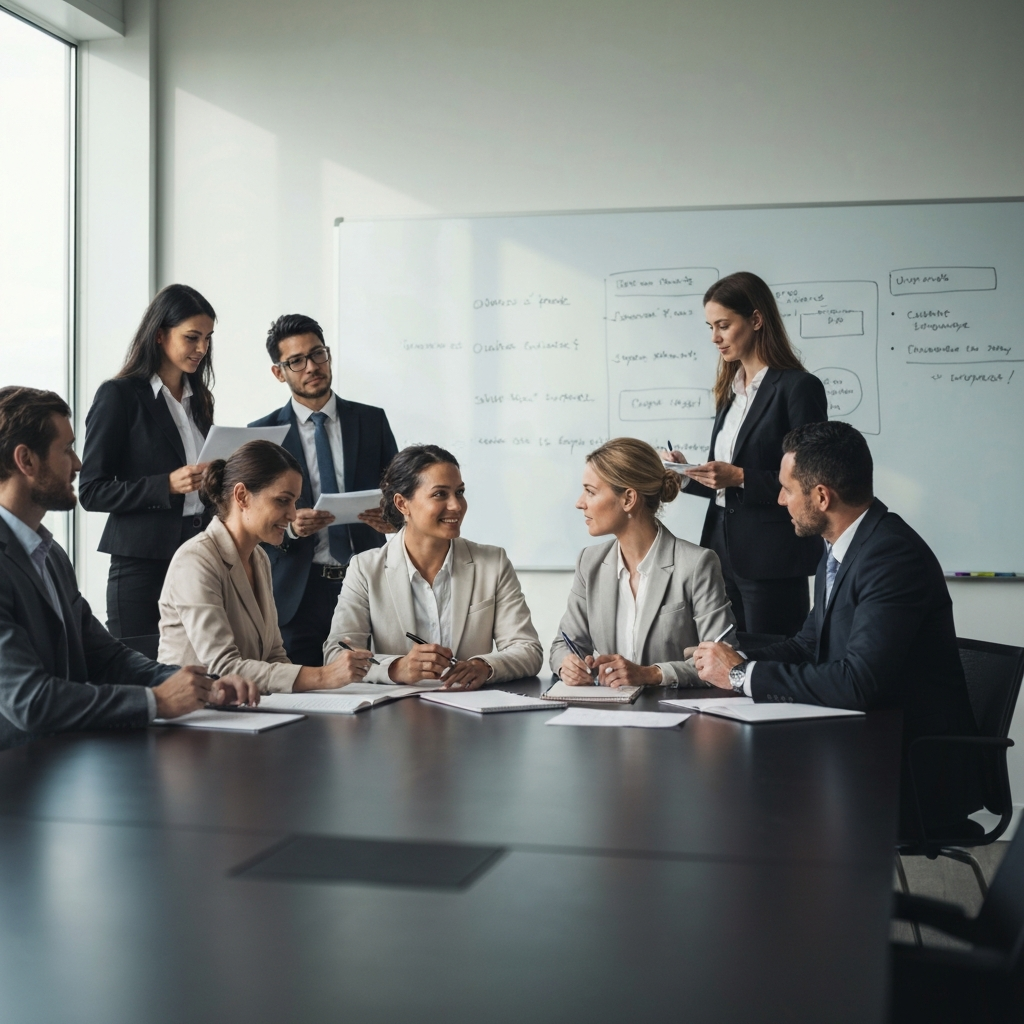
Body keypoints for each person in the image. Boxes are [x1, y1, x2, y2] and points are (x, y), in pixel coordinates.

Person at [693, 421, 979, 829]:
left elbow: (858, 683)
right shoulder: (841, 545)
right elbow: (810, 642)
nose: (778, 500)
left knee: (753, 803)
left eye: (787, 489)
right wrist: (732, 663)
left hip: (908, 769)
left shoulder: (891, 557)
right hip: (861, 743)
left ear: (822, 497)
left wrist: (742, 675)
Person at [0, 387, 257, 749]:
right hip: (17, 782)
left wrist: (203, 684)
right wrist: (158, 702)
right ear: (26, 460)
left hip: (63, 763)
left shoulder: (50, 555)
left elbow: (107, 658)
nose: (78, 464)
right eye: (67, 449)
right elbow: (30, 701)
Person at [665, 272, 827, 637]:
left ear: (755, 320)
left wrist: (738, 476)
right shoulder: (730, 393)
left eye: (723, 325)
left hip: (773, 557)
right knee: (725, 659)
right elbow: (723, 484)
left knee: (771, 662)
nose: (715, 338)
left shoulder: (798, 388)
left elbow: (812, 480)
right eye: (710, 326)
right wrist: (686, 472)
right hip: (720, 550)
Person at [158, 441, 373, 693]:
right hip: (195, 716)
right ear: (242, 496)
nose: (293, 515)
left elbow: (274, 655)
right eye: (283, 501)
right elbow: (222, 668)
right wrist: (324, 676)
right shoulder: (195, 560)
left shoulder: (258, 557)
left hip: (247, 711)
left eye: (294, 502)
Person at [248, 314, 399, 666]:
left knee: (372, 687)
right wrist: (290, 527)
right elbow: (251, 519)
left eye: (318, 354)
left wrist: (393, 522)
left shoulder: (371, 421)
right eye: (296, 361)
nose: (311, 367)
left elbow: (401, 497)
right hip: (296, 592)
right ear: (279, 372)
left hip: (365, 583)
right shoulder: (263, 433)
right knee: (301, 695)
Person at [325, 445, 543, 687]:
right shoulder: (365, 569)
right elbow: (337, 653)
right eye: (440, 494)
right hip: (397, 715)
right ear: (402, 504)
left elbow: (528, 650)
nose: (456, 506)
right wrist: (396, 668)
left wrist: (483, 666)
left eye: (459, 492)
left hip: (472, 710)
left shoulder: (492, 563)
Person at [79, 284, 218, 639]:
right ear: (159, 335)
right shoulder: (119, 396)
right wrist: (166, 485)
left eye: (207, 338)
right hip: (142, 565)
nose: (201, 348)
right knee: (142, 670)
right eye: (192, 337)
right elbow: (92, 491)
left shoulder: (200, 400)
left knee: (199, 673)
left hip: (198, 555)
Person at [550, 438, 734, 688]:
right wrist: (567, 664)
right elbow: (563, 643)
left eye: (590, 491)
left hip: (675, 716)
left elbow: (724, 660)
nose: (580, 502)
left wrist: (653, 674)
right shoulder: (589, 562)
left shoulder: (697, 564)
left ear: (628, 499)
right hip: (607, 718)